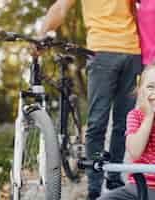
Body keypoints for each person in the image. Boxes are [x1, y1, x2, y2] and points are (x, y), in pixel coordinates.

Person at [33, 0, 142, 199]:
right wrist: (42, 35)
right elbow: (60, 8)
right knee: (97, 122)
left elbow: (140, 11)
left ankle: (115, 177)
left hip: (133, 51)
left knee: (124, 122)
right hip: (101, 51)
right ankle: (94, 186)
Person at [98, 61, 155, 200]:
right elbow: (135, 151)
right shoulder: (134, 115)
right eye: (150, 87)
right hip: (136, 186)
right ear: (140, 92)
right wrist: (149, 116)